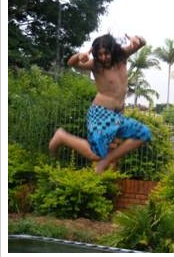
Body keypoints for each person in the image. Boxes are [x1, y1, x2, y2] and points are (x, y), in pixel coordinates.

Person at [49, 33, 152, 173]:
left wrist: (137, 39)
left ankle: (105, 162)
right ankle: (62, 137)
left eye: (106, 53)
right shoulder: (95, 65)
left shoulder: (122, 56)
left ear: (113, 50)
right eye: (100, 54)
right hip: (100, 114)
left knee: (143, 133)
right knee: (96, 154)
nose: (103, 58)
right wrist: (78, 56)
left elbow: (142, 43)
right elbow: (71, 63)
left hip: (117, 115)